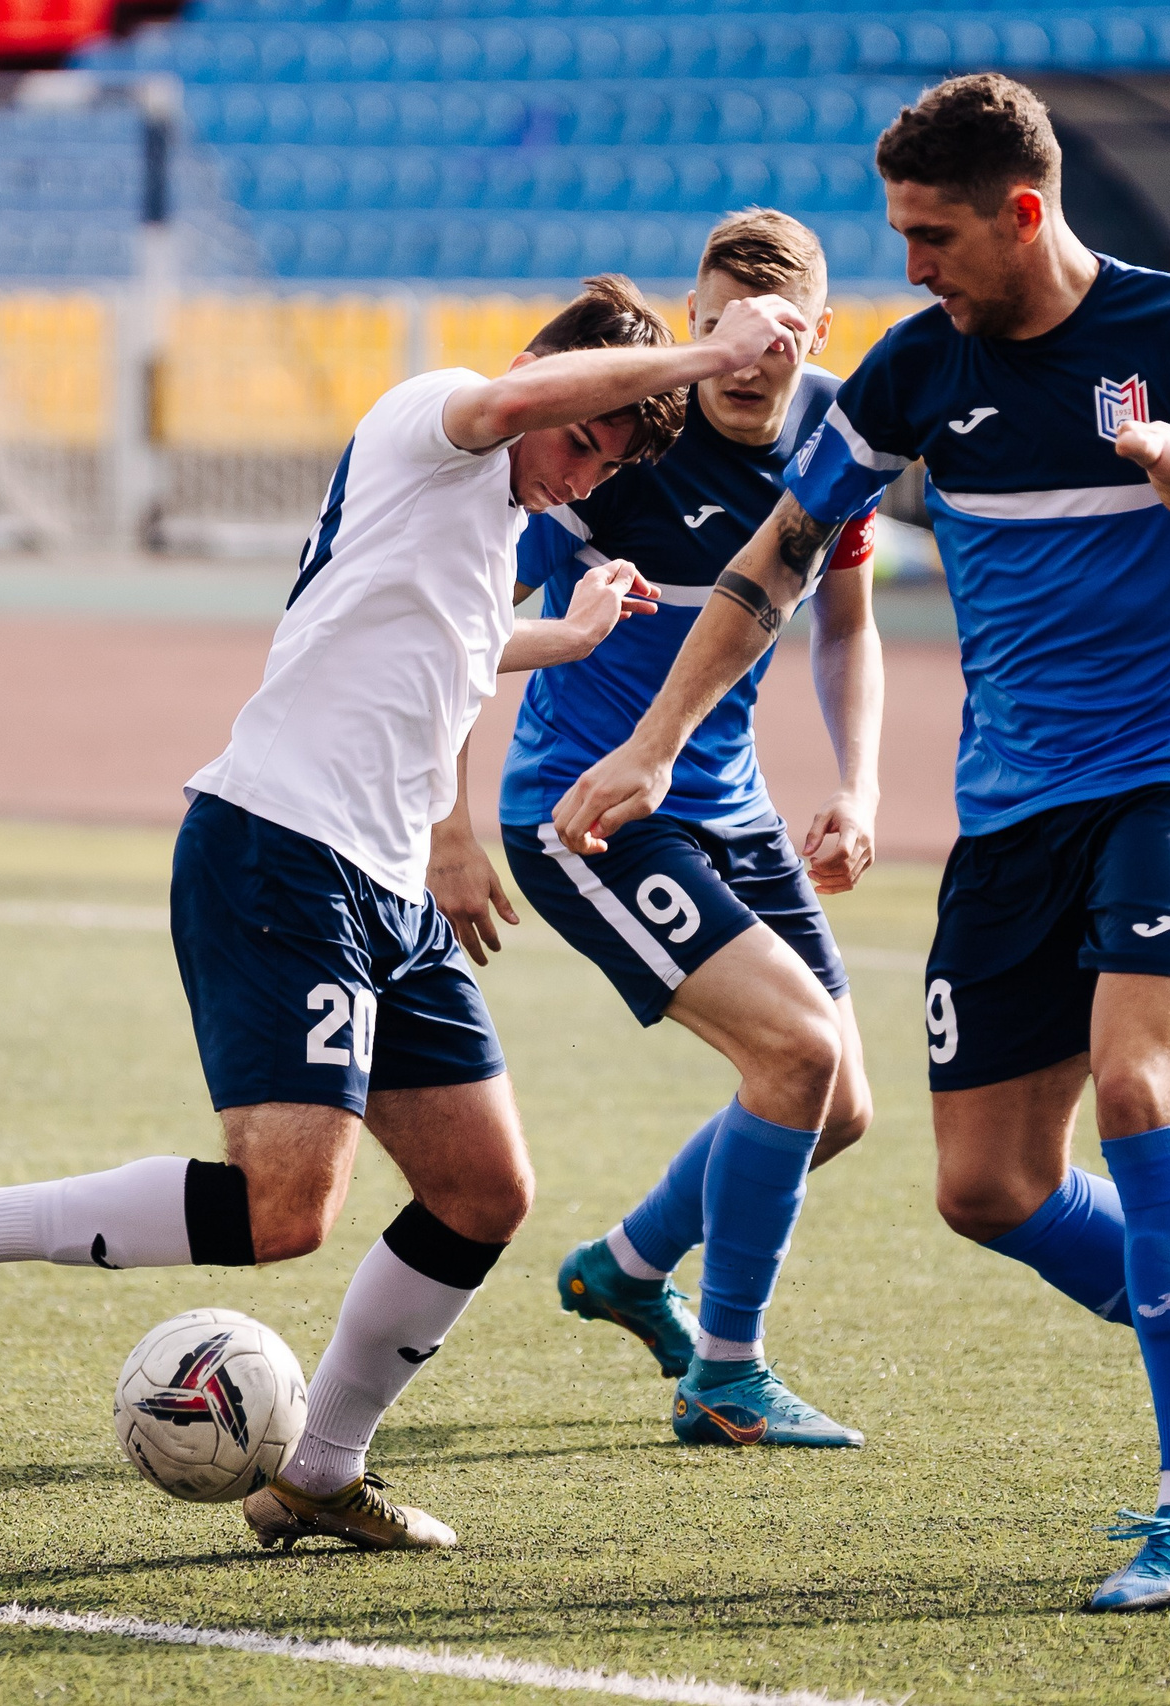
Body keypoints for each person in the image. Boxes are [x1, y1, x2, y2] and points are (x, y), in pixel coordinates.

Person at [0, 273, 811, 1554]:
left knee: (484, 1189)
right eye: (583, 444)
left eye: (605, 469)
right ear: (542, 378)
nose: (581, 478)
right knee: (284, 1210)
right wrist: (706, 354)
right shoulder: (442, 413)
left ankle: (319, 1472)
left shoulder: (490, 518)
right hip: (280, 843)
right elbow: (517, 406)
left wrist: (570, 636)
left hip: (384, 884)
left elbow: (440, 642)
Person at [553, 75, 1170, 1612]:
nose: (913, 266)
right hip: (1010, 812)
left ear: (1024, 210)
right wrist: (657, 740)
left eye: (933, 237)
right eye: (901, 236)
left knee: (1139, 1088)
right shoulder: (914, 371)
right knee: (990, 1184)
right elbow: (778, 559)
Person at [429, 209, 883, 1450]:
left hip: (730, 806)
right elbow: (463, 622)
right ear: (693, 323)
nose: (742, 359)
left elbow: (844, 621)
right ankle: (726, 1376)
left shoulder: (841, 434)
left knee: (838, 1102)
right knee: (795, 1054)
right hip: (586, 813)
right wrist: (449, 826)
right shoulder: (622, 443)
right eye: (717, 328)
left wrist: (858, 786)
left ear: (816, 335)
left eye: (772, 336)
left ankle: (629, 1267)